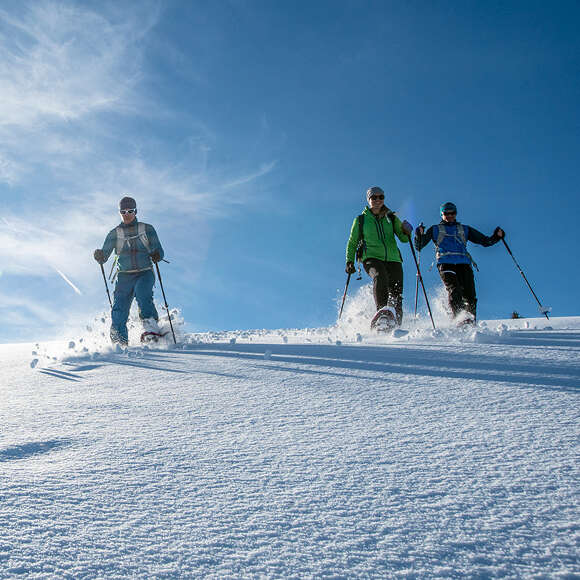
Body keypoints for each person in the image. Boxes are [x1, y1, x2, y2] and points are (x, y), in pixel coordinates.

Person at [414, 201, 504, 324]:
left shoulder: (464, 229)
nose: (450, 216)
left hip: (463, 263)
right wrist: (419, 235)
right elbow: (419, 246)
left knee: (469, 293)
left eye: (453, 213)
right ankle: (459, 319)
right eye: (447, 213)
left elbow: (485, 241)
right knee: (455, 290)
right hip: (445, 263)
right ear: (442, 214)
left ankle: (470, 321)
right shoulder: (435, 229)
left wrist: (497, 236)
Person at [93, 196, 165, 345]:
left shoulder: (147, 229)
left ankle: (151, 331)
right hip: (124, 276)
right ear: (119, 212)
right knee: (119, 306)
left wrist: (157, 254)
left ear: (136, 211)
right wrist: (100, 255)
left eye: (130, 211)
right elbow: (105, 254)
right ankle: (119, 340)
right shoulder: (115, 233)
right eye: (123, 211)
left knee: (143, 294)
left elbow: (159, 249)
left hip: (144, 272)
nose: (127, 214)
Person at [345, 186, 413, 329]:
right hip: (371, 258)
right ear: (368, 200)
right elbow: (352, 242)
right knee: (380, 276)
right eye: (374, 197)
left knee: (396, 292)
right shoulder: (361, 220)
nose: (377, 200)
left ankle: (396, 326)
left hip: (393, 259)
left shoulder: (391, 217)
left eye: (380, 197)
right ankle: (382, 313)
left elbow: (404, 239)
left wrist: (407, 231)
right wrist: (349, 261)